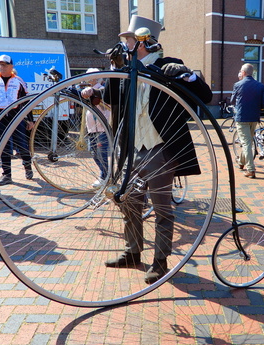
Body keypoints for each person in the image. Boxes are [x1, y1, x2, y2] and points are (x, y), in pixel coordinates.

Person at [84, 15, 213, 284]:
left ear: (142, 42)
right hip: (133, 150)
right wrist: (116, 69)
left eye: (127, 41)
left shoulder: (168, 66)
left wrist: (188, 76)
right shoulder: (129, 70)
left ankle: (160, 262)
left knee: (162, 208)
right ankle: (132, 252)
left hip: (160, 149)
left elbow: (205, 95)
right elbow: (110, 98)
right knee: (128, 200)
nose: (123, 46)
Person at [0, 54, 34, 186]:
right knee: (3, 147)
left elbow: (27, 102)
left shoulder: (19, 81)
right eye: (0, 64)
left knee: (22, 144)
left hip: (17, 117)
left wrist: (30, 120)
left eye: (5, 65)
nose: (2, 67)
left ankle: (28, 167)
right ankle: (7, 175)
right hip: (0, 118)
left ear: (11, 66)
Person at [230, 63, 264, 179]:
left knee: (246, 143)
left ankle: (250, 169)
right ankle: (241, 162)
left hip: (242, 118)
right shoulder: (260, 86)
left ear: (244, 73)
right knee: (247, 141)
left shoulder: (238, 84)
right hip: (254, 118)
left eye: (241, 71)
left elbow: (232, 101)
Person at [80, 68, 110, 188]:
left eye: (89, 76)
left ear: (95, 78)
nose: (86, 79)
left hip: (101, 128)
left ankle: (105, 176)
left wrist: (92, 91)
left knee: (101, 153)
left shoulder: (100, 89)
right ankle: (105, 175)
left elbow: (105, 103)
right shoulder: (86, 91)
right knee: (94, 153)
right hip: (92, 128)